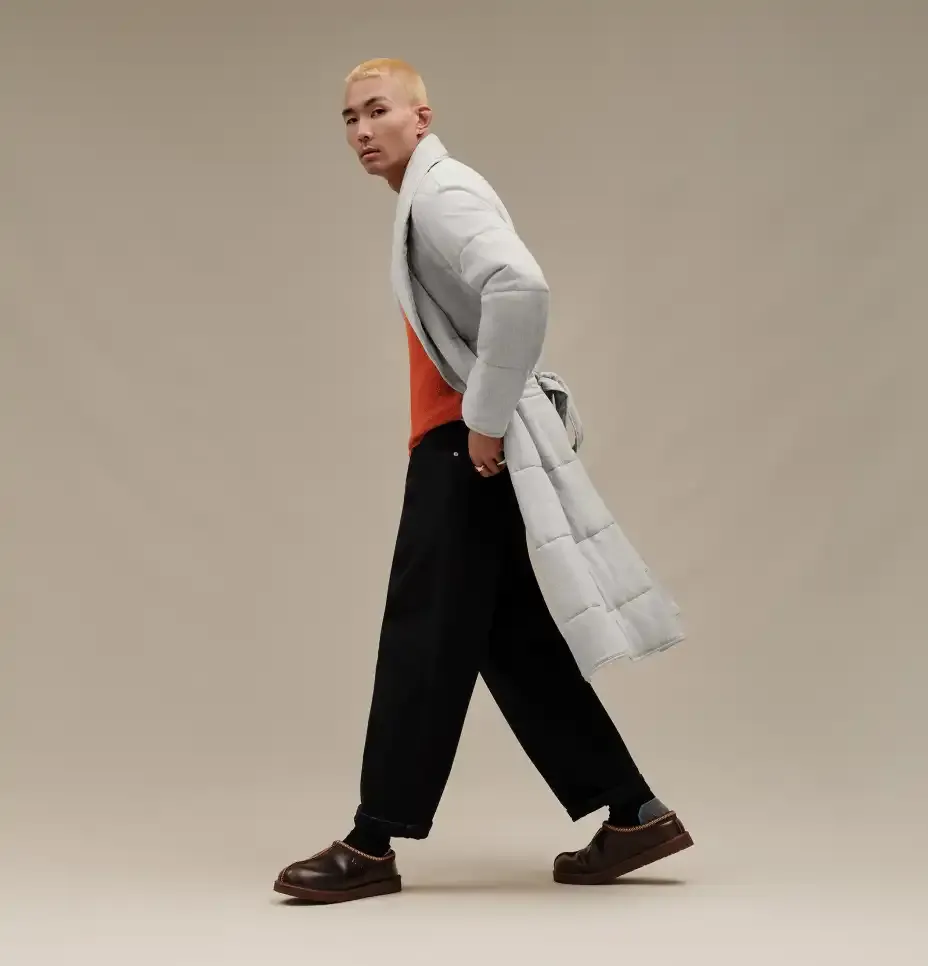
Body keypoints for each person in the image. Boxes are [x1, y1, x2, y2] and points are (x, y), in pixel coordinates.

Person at [273, 58, 691, 904]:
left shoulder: (442, 193)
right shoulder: (429, 194)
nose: (361, 130)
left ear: (420, 118)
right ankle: (633, 813)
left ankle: (372, 841)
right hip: (462, 445)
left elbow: (520, 285)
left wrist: (485, 420)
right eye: (349, 117)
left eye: (377, 111)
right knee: (512, 641)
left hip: (460, 452)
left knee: (421, 635)